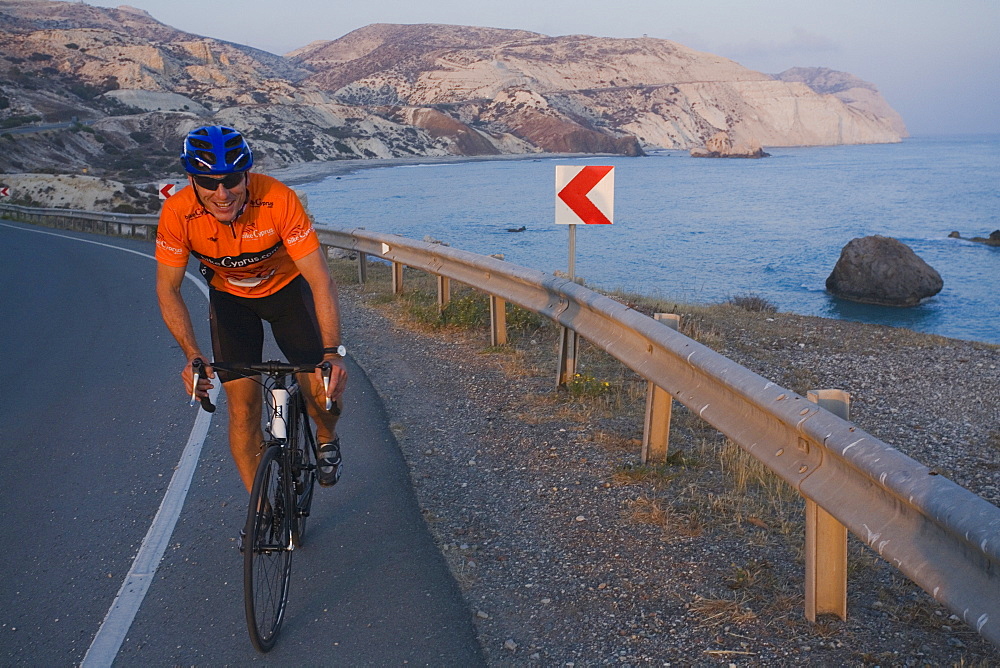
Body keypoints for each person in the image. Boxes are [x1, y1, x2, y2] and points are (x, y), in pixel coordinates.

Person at [155, 125, 347, 492]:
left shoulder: (278, 199)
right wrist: (193, 355)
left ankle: (325, 437)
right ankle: (260, 511)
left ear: (246, 175)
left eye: (231, 180)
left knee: (323, 392)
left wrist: (332, 353)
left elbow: (321, 280)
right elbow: (168, 288)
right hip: (231, 302)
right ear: (191, 181)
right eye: (209, 183)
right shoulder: (178, 213)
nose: (222, 193)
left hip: (288, 294)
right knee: (242, 411)